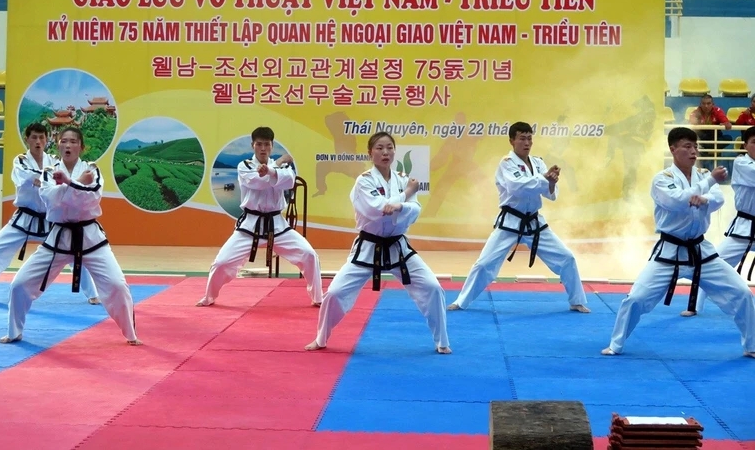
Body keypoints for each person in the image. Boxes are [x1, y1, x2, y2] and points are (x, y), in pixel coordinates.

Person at [602, 127, 755, 357]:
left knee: (742, 293)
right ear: (673, 150)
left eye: (695, 147)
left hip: (701, 250)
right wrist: (707, 184)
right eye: (687, 146)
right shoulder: (662, 179)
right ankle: (616, 345)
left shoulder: (702, 173)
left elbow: (718, 199)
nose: (693, 151)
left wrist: (704, 198)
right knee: (636, 299)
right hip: (670, 251)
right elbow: (677, 201)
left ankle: (751, 346)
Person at [306, 131, 451, 354]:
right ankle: (320, 338)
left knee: (433, 288)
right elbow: (378, 208)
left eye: (389, 148)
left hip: (397, 247)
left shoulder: (402, 178)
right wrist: (405, 195)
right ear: (370, 153)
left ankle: (442, 341)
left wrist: (401, 204)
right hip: (369, 247)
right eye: (380, 148)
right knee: (335, 293)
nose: (385, 152)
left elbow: (415, 210)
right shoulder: (364, 181)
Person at [0, 126, 140, 345]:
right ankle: (14, 331)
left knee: (118, 285)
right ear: (58, 145)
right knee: (19, 284)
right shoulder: (49, 172)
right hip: (58, 236)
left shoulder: (91, 170)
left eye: (73, 141)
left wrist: (68, 183)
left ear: (81, 147)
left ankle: (131, 334)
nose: (68, 145)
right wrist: (75, 183)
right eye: (64, 141)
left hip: (90, 237)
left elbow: (91, 198)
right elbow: (51, 200)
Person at [448, 122, 589, 313]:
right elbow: (517, 187)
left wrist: (551, 182)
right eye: (522, 138)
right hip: (510, 222)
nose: (527, 142)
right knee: (484, 264)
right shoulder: (506, 163)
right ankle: (461, 301)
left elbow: (550, 195)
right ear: (512, 141)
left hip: (534, 222)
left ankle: (577, 301)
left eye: (529, 138)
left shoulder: (538, 163)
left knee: (566, 258)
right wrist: (544, 179)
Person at [0, 123, 99, 304]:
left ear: (47, 140)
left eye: (41, 137)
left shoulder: (55, 161)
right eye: (34, 137)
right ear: (27, 140)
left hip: (52, 219)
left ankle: (92, 294)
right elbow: (33, 177)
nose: (38, 141)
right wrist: (52, 180)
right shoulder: (21, 161)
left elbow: (62, 181)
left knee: (75, 252)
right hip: (25, 217)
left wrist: (60, 180)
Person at [196, 126, 322, 307]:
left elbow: (289, 181)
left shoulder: (284, 167)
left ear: (272, 146)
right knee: (221, 263)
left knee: (309, 254)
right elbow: (258, 182)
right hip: (250, 225)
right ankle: (209, 297)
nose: (263, 148)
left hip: (277, 225)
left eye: (267, 144)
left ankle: (318, 298)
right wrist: (276, 166)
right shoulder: (245, 166)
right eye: (259, 144)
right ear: (252, 146)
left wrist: (272, 169)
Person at [686, 126, 755, 316]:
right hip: (745, 227)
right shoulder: (742, 163)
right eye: (754, 142)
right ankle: (694, 305)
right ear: (745, 145)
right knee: (713, 265)